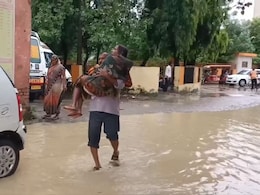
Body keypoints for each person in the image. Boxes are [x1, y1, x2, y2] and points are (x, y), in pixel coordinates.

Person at [88, 45, 132, 171]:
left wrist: (107, 76)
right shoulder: (95, 70)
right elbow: (88, 85)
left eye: (114, 50)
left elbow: (119, 85)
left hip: (111, 110)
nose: (102, 61)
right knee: (93, 137)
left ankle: (115, 151)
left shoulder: (120, 71)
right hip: (95, 108)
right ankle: (97, 164)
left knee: (112, 134)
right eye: (100, 59)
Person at [64, 52, 108, 118]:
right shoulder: (97, 67)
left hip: (102, 89)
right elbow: (92, 75)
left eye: (103, 59)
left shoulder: (109, 67)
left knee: (80, 80)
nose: (100, 61)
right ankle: (78, 109)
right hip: (94, 86)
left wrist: (98, 69)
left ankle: (74, 105)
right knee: (80, 86)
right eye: (99, 59)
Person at [42, 55, 67, 120]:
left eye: (54, 60)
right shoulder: (50, 67)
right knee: (47, 100)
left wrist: (64, 85)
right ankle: (48, 114)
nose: (53, 61)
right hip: (49, 86)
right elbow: (48, 76)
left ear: (56, 60)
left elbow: (63, 76)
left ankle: (57, 114)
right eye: (52, 60)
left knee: (56, 100)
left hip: (57, 86)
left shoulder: (61, 67)